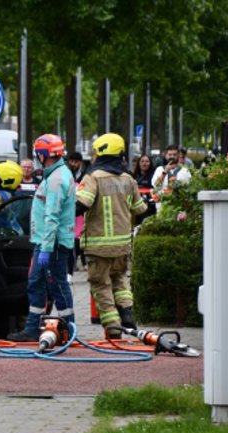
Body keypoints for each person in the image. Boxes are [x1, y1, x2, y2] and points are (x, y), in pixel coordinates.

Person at [75, 133, 148, 338]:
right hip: (122, 245)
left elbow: (81, 204)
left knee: (101, 285)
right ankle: (128, 316)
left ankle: (113, 328)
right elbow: (140, 209)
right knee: (120, 280)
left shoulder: (93, 178)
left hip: (98, 247)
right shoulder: (129, 180)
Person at [8, 134, 76, 342]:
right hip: (49, 241)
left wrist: (46, 248)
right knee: (37, 282)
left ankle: (69, 330)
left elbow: (52, 216)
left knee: (57, 285)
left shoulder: (56, 180)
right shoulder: (57, 174)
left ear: (43, 154)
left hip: (52, 243)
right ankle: (33, 327)